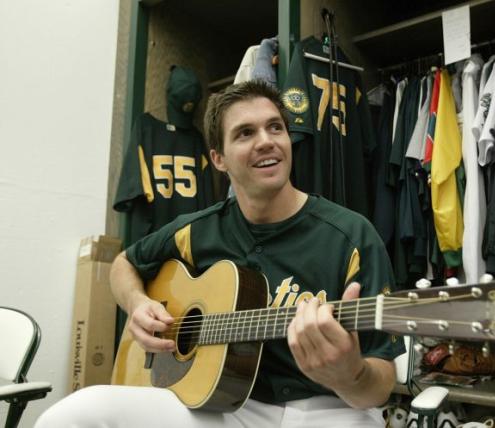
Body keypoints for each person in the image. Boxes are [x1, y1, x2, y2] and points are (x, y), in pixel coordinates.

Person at [35, 80, 404, 427]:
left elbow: (381, 383)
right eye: (245, 133)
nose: (266, 141)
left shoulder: (353, 236)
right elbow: (124, 264)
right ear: (219, 159)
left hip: (332, 407)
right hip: (227, 407)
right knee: (72, 415)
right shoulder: (196, 229)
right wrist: (136, 304)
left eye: (275, 127)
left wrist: (350, 374)